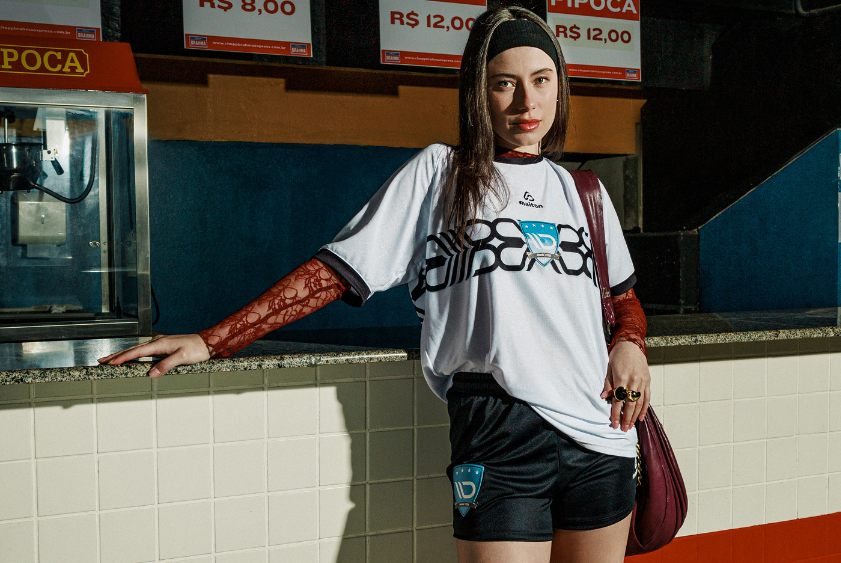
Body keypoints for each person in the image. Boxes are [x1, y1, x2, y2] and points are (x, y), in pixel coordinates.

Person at [99, 7, 651, 563]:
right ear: (476, 93)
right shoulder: (441, 174)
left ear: (560, 87)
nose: (526, 103)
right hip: (497, 426)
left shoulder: (582, 189)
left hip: (600, 434)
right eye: (504, 83)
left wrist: (632, 343)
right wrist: (213, 340)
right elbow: (335, 272)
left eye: (541, 81)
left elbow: (624, 302)